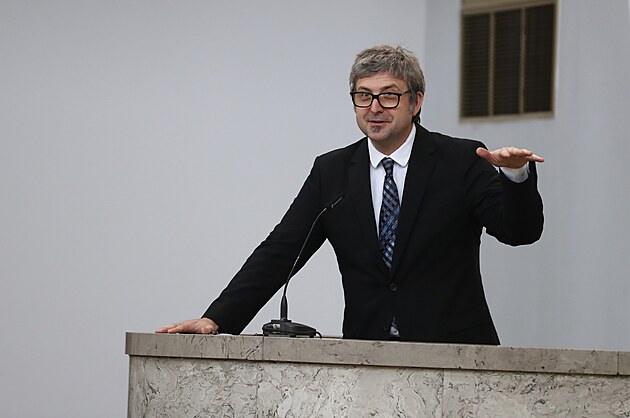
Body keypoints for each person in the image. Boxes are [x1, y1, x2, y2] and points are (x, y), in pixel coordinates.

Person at [156, 45, 544, 344]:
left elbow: (520, 232)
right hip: (365, 355)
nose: (375, 108)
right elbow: (281, 251)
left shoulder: (461, 160)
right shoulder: (333, 171)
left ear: (416, 101)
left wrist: (515, 176)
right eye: (364, 96)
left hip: (456, 352)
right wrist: (217, 318)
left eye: (389, 96)